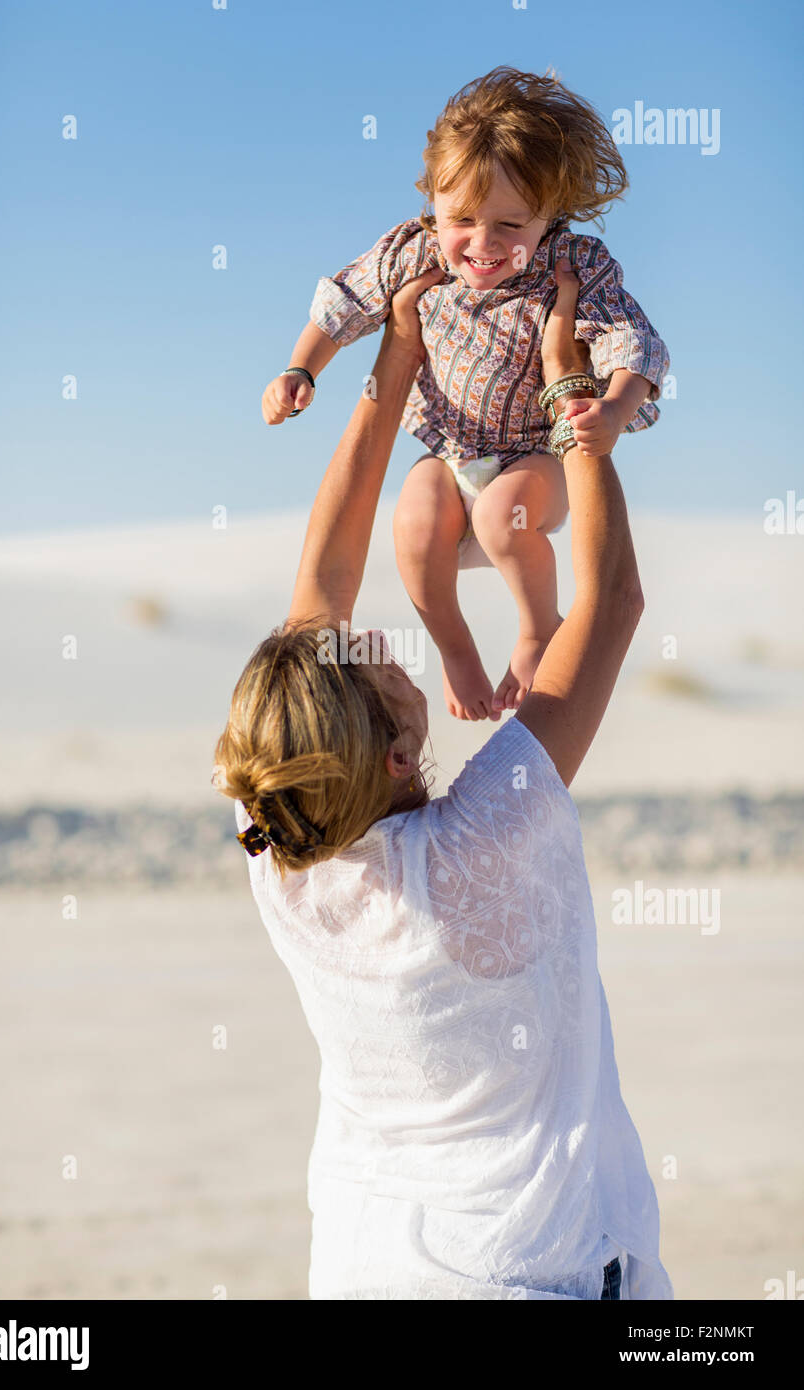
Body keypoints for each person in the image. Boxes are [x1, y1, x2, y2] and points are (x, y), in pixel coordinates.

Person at [214, 254, 673, 1300]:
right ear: (390, 747)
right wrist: (567, 393)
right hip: (531, 1277)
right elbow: (608, 603)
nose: (373, 632)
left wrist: (396, 354)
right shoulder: (479, 841)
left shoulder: (281, 838)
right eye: (377, 661)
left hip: (367, 1264)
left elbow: (320, 587)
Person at [261, 66, 669, 720]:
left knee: (501, 514)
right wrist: (301, 370)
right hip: (452, 457)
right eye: (463, 219)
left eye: (511, 223)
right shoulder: (413, 254)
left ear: (549, 217)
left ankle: (538, 629)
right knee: (414, 522)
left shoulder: (571, 266)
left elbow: (632, 341)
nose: (484, 243)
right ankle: (455, 649)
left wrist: (614, 408)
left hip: (535, 459)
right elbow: (343, 304)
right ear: (433, 202)